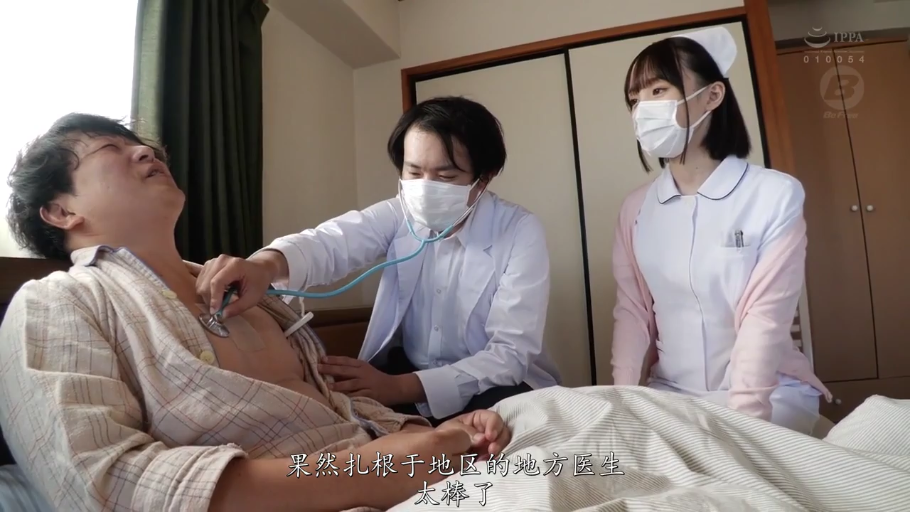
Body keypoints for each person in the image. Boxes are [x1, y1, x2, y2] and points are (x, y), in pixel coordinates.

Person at [0, 113, 511, 512]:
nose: (145, 151)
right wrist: (368, 472)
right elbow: (104, 485)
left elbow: (337, 412)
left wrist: (438, 435)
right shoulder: (56, 303)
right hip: (353, 490)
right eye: (111, 150)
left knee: (554, 416)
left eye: (144, 147)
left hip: (412, 474)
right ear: (61, 211)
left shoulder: (252, 298)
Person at [196, 96, 561, 425]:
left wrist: (397, 388)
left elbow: (509, 354)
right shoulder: (400, 214)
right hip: (406, 371)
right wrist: (265, 265)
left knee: (504, 433)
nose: (425, 188)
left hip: (492, 385)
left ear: (483, 179)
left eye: (446, 176)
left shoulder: (519, 230)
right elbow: (331, 242)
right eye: (413, 172)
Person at [609, 26, 832, 434]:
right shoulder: (635, 209)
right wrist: (622, 405)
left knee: (712, 454)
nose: (642, 110)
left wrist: (744, 426)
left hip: (769, 393)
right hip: (671, 393)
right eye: (634, 99)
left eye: (657, 90)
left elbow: (764, 319)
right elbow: (633, 313)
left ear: (712, 96)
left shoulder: (774, 194)